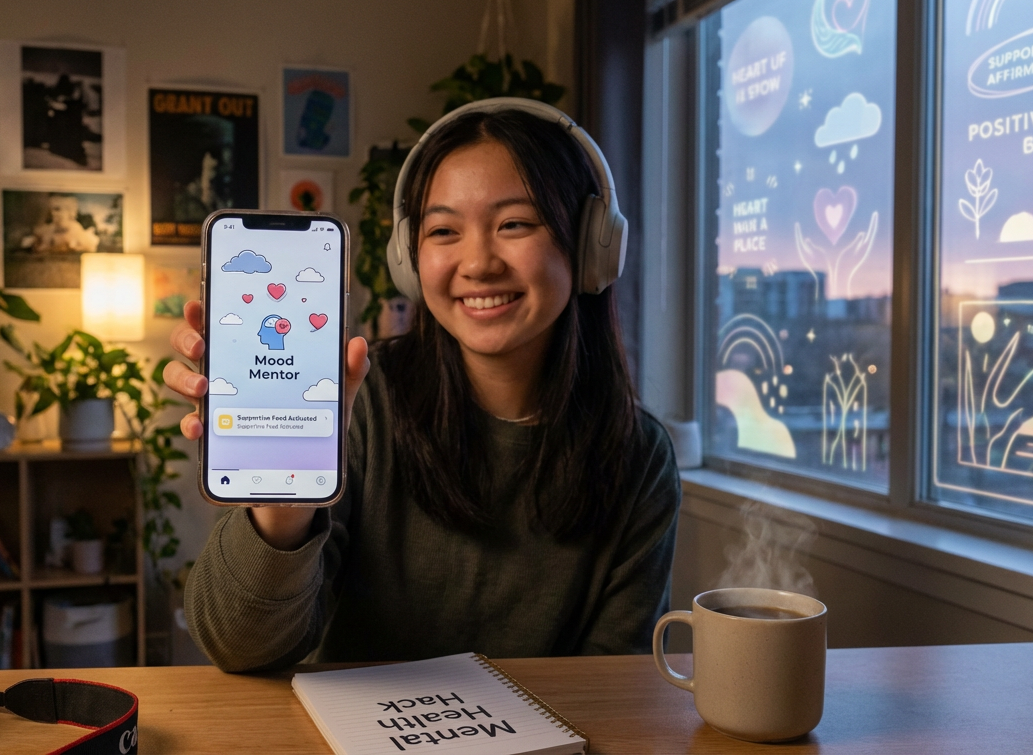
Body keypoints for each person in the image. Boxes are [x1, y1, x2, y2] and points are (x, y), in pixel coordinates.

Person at [163, 102, 681, 673]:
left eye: (514, 224)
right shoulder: (360, 405)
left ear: (590, 246)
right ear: (410, 259)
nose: (478, 263)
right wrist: (284, 504)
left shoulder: (638, 455)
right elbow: (239, 645)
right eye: (443, 231)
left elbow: (614, 685)